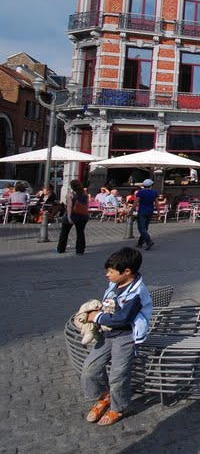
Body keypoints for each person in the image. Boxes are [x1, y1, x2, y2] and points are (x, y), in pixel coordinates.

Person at [80, 247, 153, 426]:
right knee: (90, 370)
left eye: (111, 272)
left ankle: (119, 407)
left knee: (118, 375)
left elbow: (122, 318)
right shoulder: (115, 284)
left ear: (126, 271)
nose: (107, 275)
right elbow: (110, 306)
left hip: (125, 336)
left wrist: (96, 317)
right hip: (107, 333)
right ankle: (104, 396)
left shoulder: (136, 293)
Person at [57, 179, 90, 255]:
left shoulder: (70, 195)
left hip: (72, 215)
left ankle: (60, 249)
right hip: (82, 216)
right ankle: (80, 250)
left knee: (64, 233)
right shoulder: (85, 194)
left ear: (72, 186)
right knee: (80, 233)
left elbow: (69, 206)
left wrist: (69, 217)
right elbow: (87, 205)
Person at [133, 179, 158, 251]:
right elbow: (156, 203)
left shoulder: (140, 192)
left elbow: (136, 202)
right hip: (150, 211)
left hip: (142, 211)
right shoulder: (154, 192)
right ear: (151, 185)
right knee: (145, 227)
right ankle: (140, 243)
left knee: (141, 228)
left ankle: (148, 241)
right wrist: (158, 212)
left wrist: (131, 211)